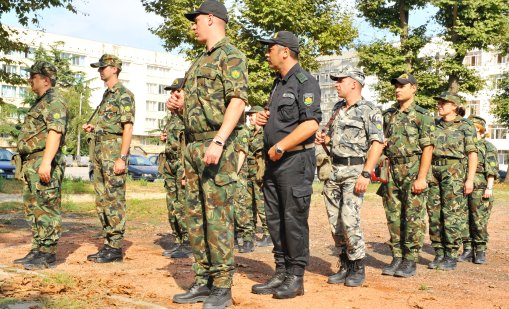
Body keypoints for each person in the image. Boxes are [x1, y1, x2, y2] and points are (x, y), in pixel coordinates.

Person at [166, 1, 248, 308]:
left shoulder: (232, 55)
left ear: (211, 18)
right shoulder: (198, 62)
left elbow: (237, 102)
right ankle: (203, 281)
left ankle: (222, 287)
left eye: (196, 19)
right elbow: (196, 106)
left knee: (218, 218)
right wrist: (178, 106)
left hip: (217, 146)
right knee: (196, 217)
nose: (193, 24)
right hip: (193, 146)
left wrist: (219, 141)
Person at [251, 31, 321, 299]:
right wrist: (262, 119)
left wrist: (282, 145)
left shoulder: (306, 82)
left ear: (284, 51)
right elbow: (282, 119)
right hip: (274, 162)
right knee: (274, 219)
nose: (266, 53)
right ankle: (280, 271)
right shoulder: (278, 83)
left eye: (270, 48)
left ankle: (296, 276)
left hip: (295, 160)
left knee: (293, 219)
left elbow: (311, 123)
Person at [315, 68, 384, 287]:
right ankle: (344, 263)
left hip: (355, 172)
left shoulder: (370, 110)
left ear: (354, 83)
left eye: (340, 81)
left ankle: (357, 265)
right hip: (334, 170)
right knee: (335, 222)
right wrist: (324, 140)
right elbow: (335, 141)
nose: (336, 85)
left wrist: (366, 172)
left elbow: (377, 143)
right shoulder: (337, 108)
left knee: (349, 220)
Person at [378, 73, 434, 278]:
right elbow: (381, 141)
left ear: (413, 88)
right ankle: (397, 256)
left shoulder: (423, 115)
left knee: (413, 216)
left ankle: (410, 259)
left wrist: (421, 177)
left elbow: (428, 148)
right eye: (396, 86)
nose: (397, 89)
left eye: (402, 85)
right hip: (392, 169)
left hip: (413, 168)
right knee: (393, 215)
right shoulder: (389, 115)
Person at [13, 61, 68, 269]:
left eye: (34, 77)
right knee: (33, 208)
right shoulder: (41, 101)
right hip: (31, 162)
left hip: (43, 160)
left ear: (46, 80)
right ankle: (37, 248)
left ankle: (48, 253)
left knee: (47, 207)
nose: (30, 80)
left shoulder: (55, 101)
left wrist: (46, 162)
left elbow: (55, 131)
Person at [82, 54, 135, 263]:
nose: (99, 71)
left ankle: (115, 247)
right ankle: (108, 243)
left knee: (114, 200)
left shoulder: (124, 94)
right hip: (100, 151)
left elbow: (127, 128)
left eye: (103, 67)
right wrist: (95, 128)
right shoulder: (107, 95)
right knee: (102, 200)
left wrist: (122, 157)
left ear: (114, 69)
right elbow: (110, 124)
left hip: (113, 153)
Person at [427, 92, 477, 271]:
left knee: (452, 214)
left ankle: (451, 254)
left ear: (454, 106)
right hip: (433, 171)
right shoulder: (434, 125)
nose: (439, 105)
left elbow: (472, 153)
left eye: (443, 103)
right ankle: (439, 251)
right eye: (439, 103)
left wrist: (470, 179)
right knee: (434, 213)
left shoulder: (466, 125)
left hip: (454, 171)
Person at [458, 115, 498, 264]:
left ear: (480, 130)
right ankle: (467, 249)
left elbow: (491, 170)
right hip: (463, 187)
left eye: (473, 128)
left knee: (478, 221)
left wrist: (489, 188)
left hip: (480, 189)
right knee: (464, 220)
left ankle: (480, 251)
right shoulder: (464, 145)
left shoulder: (487, 147)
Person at [159, 78, 191, 259]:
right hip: (170, 165)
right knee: (172, 204)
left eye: (176, 91)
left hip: (182, 164)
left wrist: (187, 170)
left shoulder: (186, 115)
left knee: (183, 204)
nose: (172, 95)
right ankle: (178, 239)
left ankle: (188, 242)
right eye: (171, 92)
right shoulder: (172, 117)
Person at [245, 106, 271, 247]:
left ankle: (268, 234)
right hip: (248, 174)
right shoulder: (248, 132)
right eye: (249, 116)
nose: (250, 117)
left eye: (252, 115)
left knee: (262, 204)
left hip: (260, 175)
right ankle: (250, 233)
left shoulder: (265, 132)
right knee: (249, 205)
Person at [232, 123, 256, 253]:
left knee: (241, 207)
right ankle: (234, 238)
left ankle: (248, 239)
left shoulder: (242, 130)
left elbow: (242, 153)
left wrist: (234, 173)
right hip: (227, 174)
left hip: (238, 175)